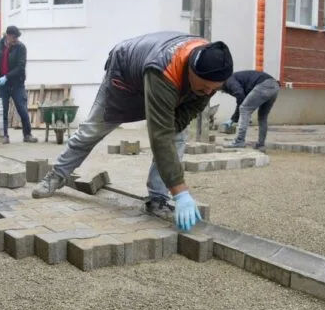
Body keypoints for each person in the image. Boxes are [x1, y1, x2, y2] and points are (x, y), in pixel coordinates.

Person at [32, 31, 234, 232]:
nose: (209, 93)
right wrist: (180, 192)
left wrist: (176, 125)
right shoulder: (164, 69)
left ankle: (158, 199)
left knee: (177, 135)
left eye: (213, 89)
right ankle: (56, 176)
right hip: (124, 79)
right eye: (205, 87)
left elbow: (192, 108)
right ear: (191, 70)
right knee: (91, 131)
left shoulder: (212, 65)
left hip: (161, 79)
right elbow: (159, 134)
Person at [0, 25, 38, 144]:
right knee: (3, 110)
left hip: (17, 83)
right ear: (7, 36)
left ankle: (27, 135)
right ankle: (4, 136)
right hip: (2, 85)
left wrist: (7, 77)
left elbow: (20, 67)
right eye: (14, 37)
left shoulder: (21, 48)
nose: (16, 39)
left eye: (17, 37)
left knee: (22, 109)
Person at [219, 70, 280, 152]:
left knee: (244, 109)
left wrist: (233, 119)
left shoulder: (229, 80)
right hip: (274, 86)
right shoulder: (236, 80)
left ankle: (239, 141)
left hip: (264, 84)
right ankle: (261, 145)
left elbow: (240, 97)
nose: (221, 91)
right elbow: (244, 99)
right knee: (262, 117)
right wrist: (235, 118)